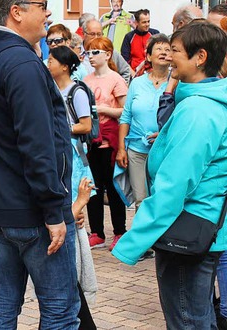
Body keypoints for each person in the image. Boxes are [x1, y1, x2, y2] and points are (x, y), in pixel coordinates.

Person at [0, 0, 79, 327]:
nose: (47, 14)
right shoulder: (22, 63)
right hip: (31, 210)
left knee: (1, 302)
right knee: (60, 310)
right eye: (42, 5)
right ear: (16, 10)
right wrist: (53, 209)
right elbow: (37, 144)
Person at [112, 21, 227, 328]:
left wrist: (133, 242)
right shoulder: (198, 102)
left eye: (175, 50)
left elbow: (175, 185)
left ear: (199, 57)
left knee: (188, 320)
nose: (167, 56)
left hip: (188, 230)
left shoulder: (199, 111)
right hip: (199, 226)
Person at [46, 46, 98, 326]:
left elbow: (86, 125)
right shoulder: (51, 88)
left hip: (73, 157)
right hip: (61, 154)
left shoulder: (76, 92)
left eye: (52, 60)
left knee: (76, 211)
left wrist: (56, 127)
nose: (47, 62)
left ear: (65, 66)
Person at [83, 37, 128, 250]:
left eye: (95, 52)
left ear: (108, 54)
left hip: (110, 141)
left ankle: (120, 231)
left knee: (113, 187)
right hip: (91, 141)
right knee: (94, 189)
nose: (91, 57)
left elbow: (125, 111)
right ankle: (97, 233)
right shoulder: (86, 79)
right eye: (88, 52)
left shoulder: (116, 79)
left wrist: (103, 110)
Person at [117, 34, 171, 209]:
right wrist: (121, 149)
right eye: (159, 49)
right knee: (141, 199)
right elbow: (125, 117)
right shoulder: (137, 83)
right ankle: (143, 236)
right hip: (136, 149)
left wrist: (164, 135)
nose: (163, 52)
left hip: (164, 150)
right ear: (148, 56)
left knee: (161, 197)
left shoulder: (176, 83)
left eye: (167, 49)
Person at [83, 18, 131, 84]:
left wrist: (119, 88)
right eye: (92, 34)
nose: (96, 37)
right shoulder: (77, 52)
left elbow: (125, 70)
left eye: (99, 34)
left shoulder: (110, 52)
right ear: (84, 34)